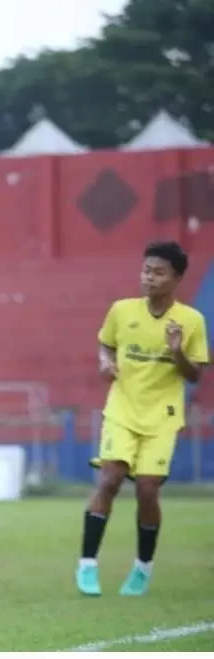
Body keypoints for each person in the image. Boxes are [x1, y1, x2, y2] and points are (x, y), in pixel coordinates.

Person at [77, 240, 207, 597]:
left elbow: (194, 375)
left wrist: (177, 351)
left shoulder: (191, 320)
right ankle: (88, 564)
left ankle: (142, 568)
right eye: (146, 270)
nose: (149, 278)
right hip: (122, 408)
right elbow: (106, 343)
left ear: (176, 278)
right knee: (110, 479)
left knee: (148, 489)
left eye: (158, 272)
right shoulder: (121, 310)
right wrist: (105, 361)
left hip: (162, 416)